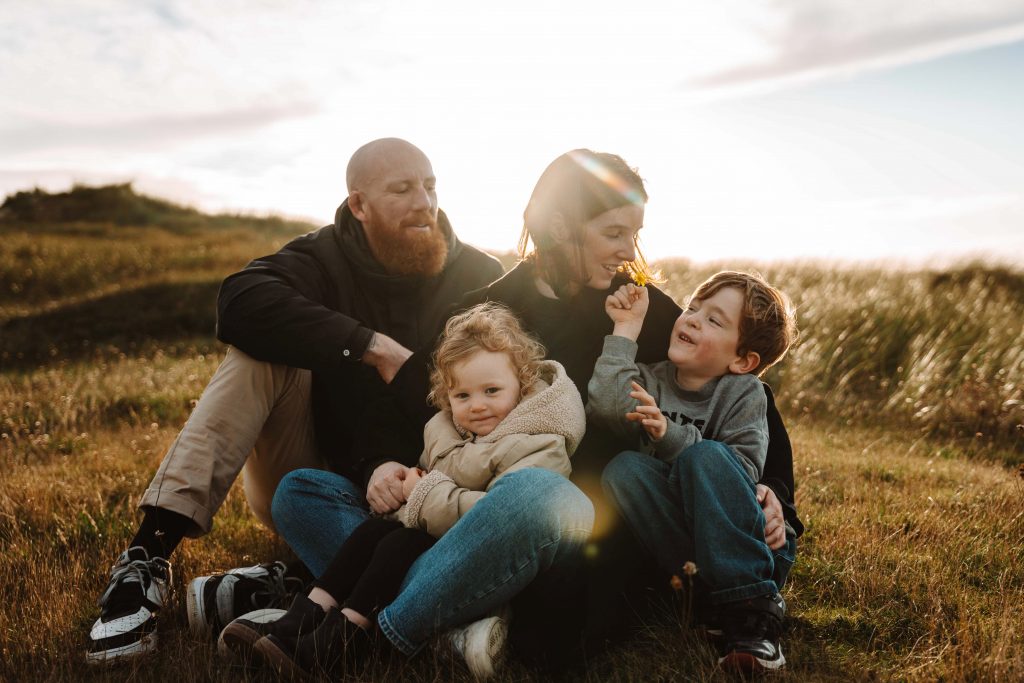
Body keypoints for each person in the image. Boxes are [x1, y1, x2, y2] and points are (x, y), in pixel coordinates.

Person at [272, 149, 802, 673]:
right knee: (303, 492)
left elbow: (744, 393)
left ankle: (385, 629)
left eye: (634, 234)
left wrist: (772, 491)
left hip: (581, 532)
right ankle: (460, 622)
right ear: (559, 226)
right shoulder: (484, 311)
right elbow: (415, 399)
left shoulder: (641, 310)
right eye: (614, 233)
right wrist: (381, 464)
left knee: (538, 495)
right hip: (464, 507)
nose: (628, 251)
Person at [85, 138, 505, 665]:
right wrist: (372, 347)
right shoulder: (324, 256)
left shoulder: (480, 277)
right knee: (256, 356)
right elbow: (239, 302)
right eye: (401, 190)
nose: (424, 202)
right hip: (313, 480)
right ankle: (147, 558)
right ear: (359, 205)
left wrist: (392, 466)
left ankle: (302, 589)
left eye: (430, 186)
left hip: (430, 484)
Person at [221, 302, 586, 679]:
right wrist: (394, 491)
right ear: (447, 396)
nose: (477, 406)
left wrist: (421, 494)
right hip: (424, 557)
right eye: (463, 396)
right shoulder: (444, 428)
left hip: (477, 569)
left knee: (531, 495)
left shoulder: (539, 437)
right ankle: (308, 621)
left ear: (522, 385)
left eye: (492, 391)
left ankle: (363, 636)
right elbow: (418, 499)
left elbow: (500, 517)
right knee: (310, 493)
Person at [589, 271, 799, 673]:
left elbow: (742, 469)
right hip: (692, 548)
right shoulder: (653, 378)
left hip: (753, 546)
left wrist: (671, 436)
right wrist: (626, 329)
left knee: (703, 458)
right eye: (693, 307)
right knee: (624, 469)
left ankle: (753, 612)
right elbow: (607, 408)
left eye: (714, 320)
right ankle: (706, 599)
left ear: (742, 360)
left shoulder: (743, 393)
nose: (692, 318)